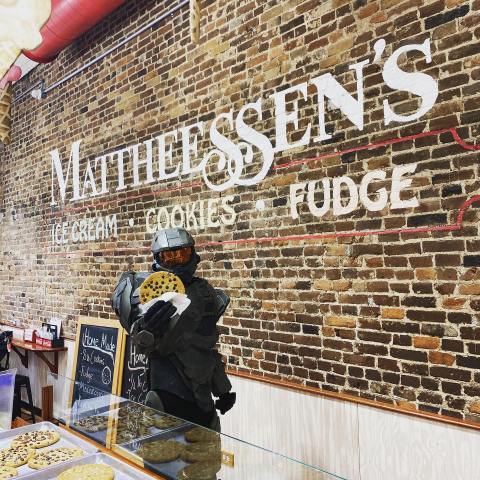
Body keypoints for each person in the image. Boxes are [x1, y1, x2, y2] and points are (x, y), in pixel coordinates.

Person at [111, 228, 235, 431]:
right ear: (158, 258)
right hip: (165, 395)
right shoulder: (141, 290)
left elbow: (207, 347)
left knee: (206, 458)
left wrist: (222, 389)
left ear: (192, 254)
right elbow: (142, 345)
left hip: (203, 401)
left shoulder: (205, 293)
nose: (177, 261)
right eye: (170, 256)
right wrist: (146, 329)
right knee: (162, 456)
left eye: (183, 254)